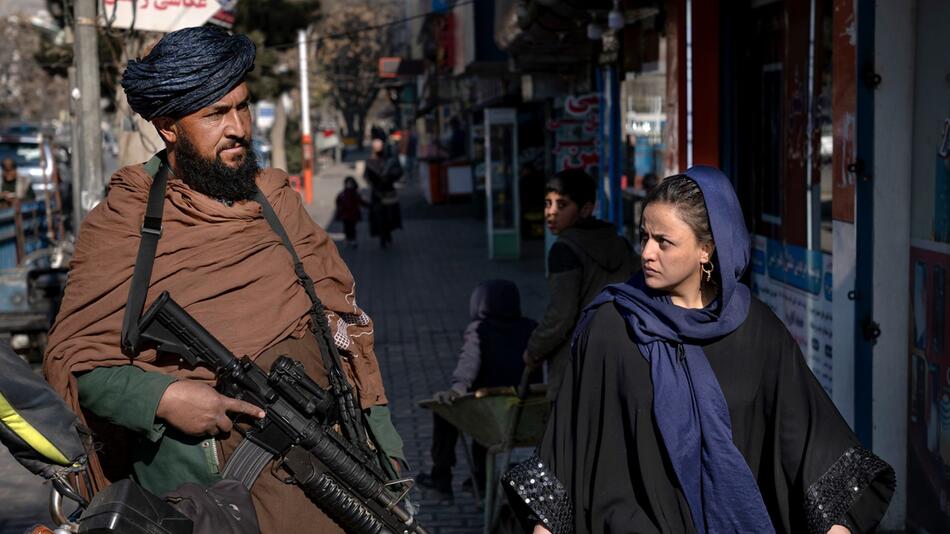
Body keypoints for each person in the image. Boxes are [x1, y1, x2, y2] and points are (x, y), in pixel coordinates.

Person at [43, 27, 404, 534]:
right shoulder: (125, 222)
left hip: (329, 484)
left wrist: (391, 464)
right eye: (215, 114)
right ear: (169, 127)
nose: (238, 127)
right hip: (211, 505)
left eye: (242, 107)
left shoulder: (276, 204)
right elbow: (81, 364)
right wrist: (165, 399)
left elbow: (349, 343)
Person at [504, 168, 895, 534]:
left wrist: (836, 526)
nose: (647, 254)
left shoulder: (756, 330)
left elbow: (811, 443)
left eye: (664, 242)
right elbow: (567, 450)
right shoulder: (611, 327)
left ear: (707, 250)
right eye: (644, 237)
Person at [416, 280, 539, 499]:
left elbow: (469, 363)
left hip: (491, 409)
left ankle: (441, 476)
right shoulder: (531, 327)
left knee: (447, 409)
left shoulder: (480, 329)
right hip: (527, 411)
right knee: (485, 413)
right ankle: (481, 479)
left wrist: (457, 388)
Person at [522, 169, 638, 400]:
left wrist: (534, 350)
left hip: (577, 367)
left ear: (585, 209)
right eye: (548, 204)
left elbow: (560, 315)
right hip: (622, 359)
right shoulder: (620, 243)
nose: (551, 213)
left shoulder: (564, 250)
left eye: (562, 205)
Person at [364, 134, 403, 248]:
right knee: (379, 216)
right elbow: (367, 176)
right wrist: (374, 181)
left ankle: (388, 233)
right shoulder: (370, 161)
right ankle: (382, 236)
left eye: (379, 146)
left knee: (390, 215)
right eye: (375, 146)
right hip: (377, 193)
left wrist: (389, 177)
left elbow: (398, 172)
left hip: (389, 191)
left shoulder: (389, 159)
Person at [335, 176, 367, 248]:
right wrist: (339, 210)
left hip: (353, 215)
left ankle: (352, 240)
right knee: (347, 227)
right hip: (345, 215)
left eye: (351, 183)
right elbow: (338, 202)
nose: (349, 185)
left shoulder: (355, 194)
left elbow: (361, 201)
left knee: (352, 228)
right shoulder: (342, 194)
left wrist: (368, 205)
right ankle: (348, 239)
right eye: (348, 183)